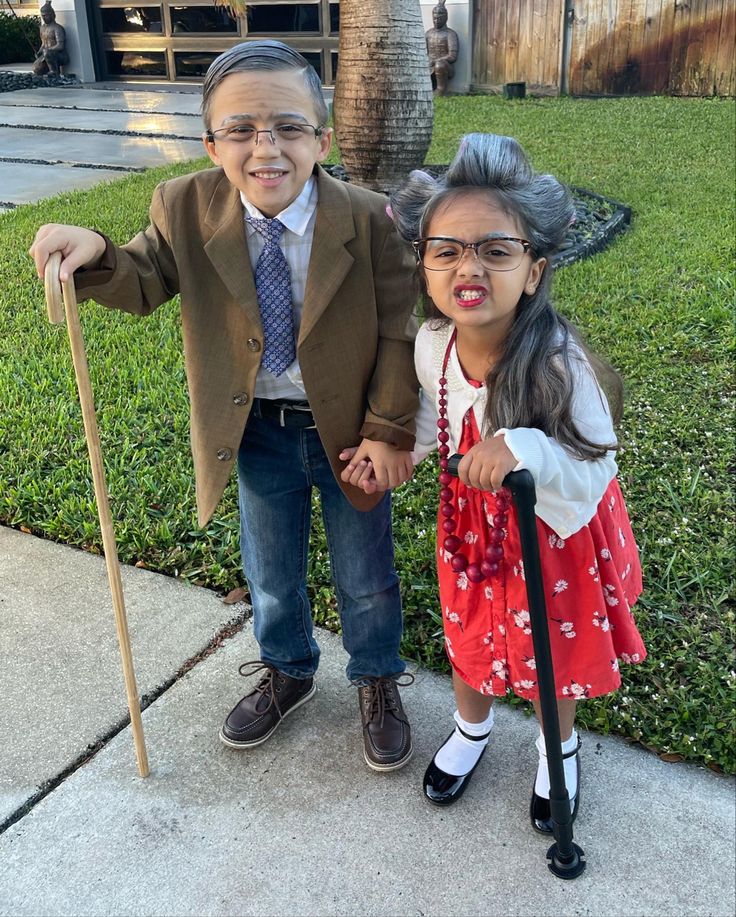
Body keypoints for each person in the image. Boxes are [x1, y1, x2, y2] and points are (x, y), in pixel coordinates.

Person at [29, 40, 419, 773]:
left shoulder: (368, 220)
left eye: (289, 127)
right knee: (270, 569)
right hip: (256, 431)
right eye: (240, 129)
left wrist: (390, 428)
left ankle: (375, 677)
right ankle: (289, 667)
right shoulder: (184, 206)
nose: (265, 147)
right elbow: (143, 277)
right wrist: (98, 251)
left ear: (321, 139)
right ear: (211, 143)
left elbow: (401, 330)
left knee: (365, 575)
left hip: (350, 436)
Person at [344, 133, 646, 828]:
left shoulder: (558, 362)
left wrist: (528, 447)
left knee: (551, 645)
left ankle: (558, 746)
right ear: (422, 265)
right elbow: (435, 418)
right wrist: (398, 455)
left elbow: (598, 461)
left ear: (534, 270)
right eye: (446, 250)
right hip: (472, 527)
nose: (467, 267)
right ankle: (471, 727)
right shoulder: (431, 346)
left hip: (553, 535)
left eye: (495, 250)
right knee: (468, 630)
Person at [425, 0, 458, 96]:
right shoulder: (428, 33)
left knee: (439, 64)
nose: (436, 21)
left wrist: (436, 60)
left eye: (439, 18)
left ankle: (441, 89)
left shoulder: (450, 34)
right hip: (429, 65)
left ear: (445, 18)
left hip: (445, 67)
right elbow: (423, 51)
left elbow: (452, 56)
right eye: (434, 18)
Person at [33, 1, 69, 77]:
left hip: (60, 55)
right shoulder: (42, 28)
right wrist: (39, 51)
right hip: (45, 54)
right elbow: (43, 43)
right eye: (42, 15)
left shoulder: (57, 28)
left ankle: (54, 71)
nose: (44, 17)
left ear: (52, 15)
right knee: (36, 69)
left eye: (46, 15)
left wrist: (49, 50)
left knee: (48, 53)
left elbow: (60, 45)